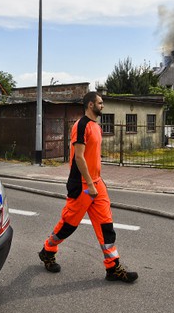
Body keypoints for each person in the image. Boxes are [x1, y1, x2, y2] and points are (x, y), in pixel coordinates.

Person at [38, 92, 138, 283]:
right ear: (91, 104)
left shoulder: (96, 127)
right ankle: (47, 251)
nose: (103, 106)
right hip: (82, 186)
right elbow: (79, 157)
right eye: (100, 103)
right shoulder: (81, 125)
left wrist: (97, 182)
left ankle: (113, 268)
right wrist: (90, 184)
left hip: (96, 185)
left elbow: (92, 156)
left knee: (106, 226)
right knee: (68, 225)